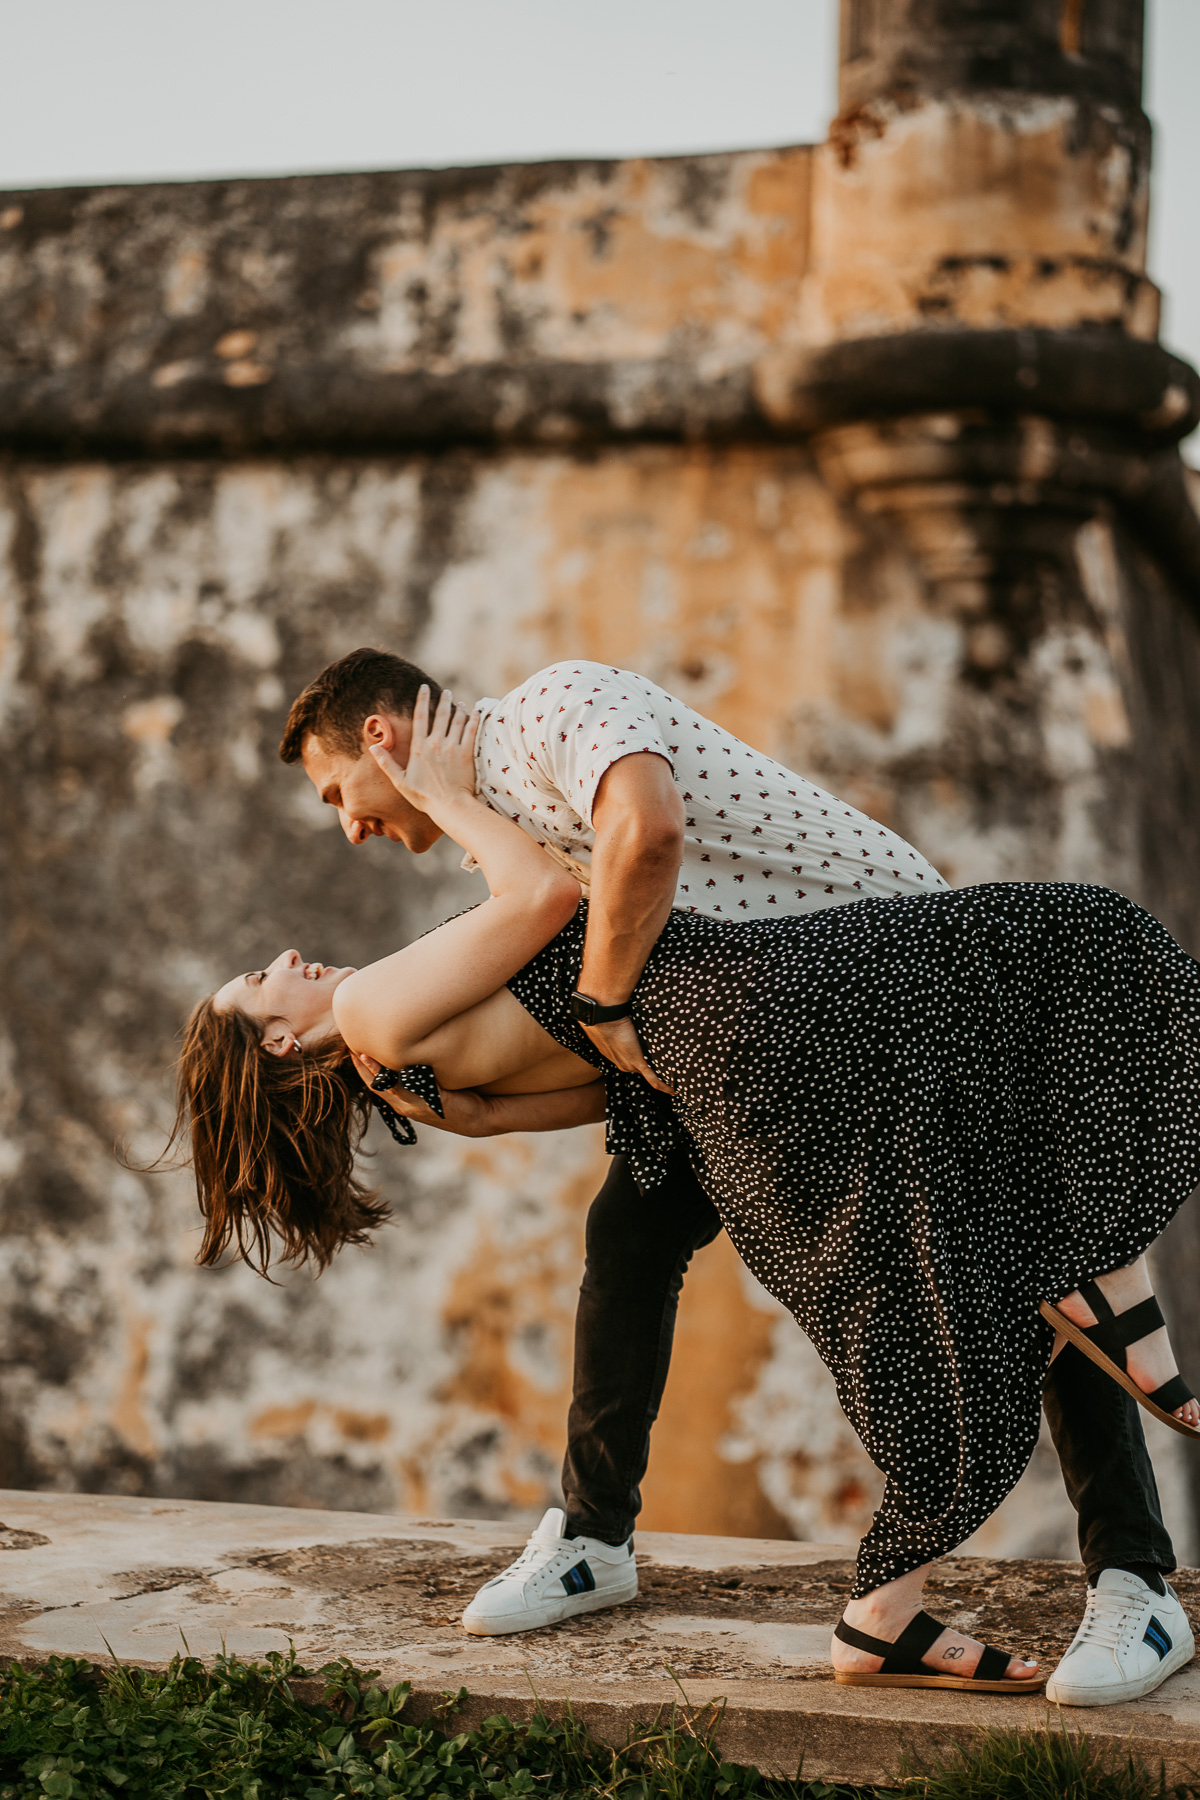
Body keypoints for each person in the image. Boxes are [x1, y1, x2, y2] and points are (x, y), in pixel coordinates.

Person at [173, 681, 1200, 1702]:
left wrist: (601, 1018)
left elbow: (580, 989)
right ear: (278, 1039)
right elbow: (554, 927)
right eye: (263, 981)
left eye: (337, 791)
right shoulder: (375, 1010)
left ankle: (1128, 1575)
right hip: (741, 1034)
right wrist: (457, 814)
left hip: (809, 983)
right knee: (644, 1240)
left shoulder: (549, 726)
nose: (288, 953)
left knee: (989, 1246)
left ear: (383, 738)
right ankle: (599, 1537)